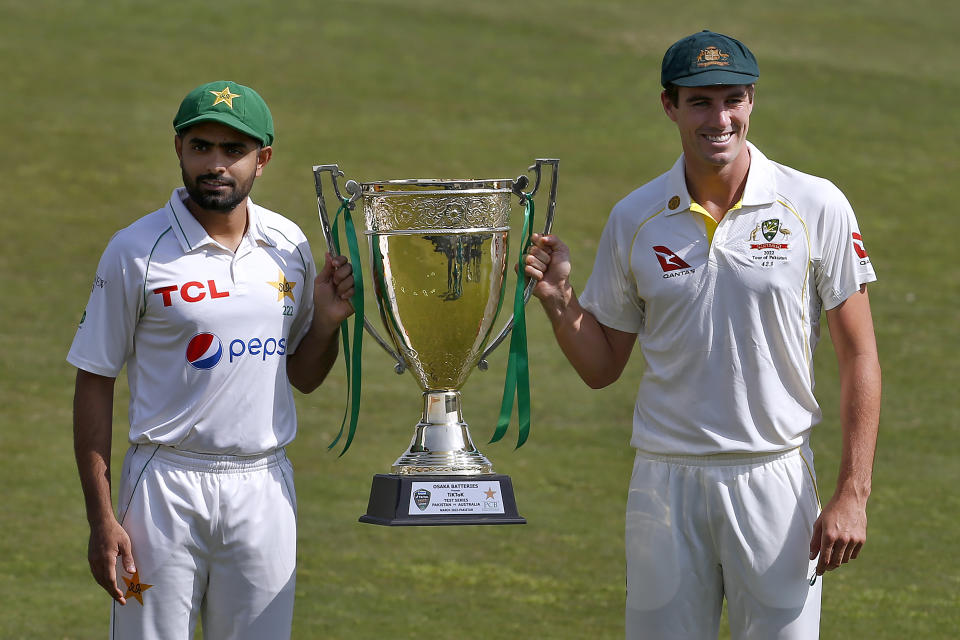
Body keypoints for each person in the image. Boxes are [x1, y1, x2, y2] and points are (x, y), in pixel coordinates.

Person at [524, 31, 881, 639]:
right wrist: (560, 302)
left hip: (774, 476)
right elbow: (602, 366)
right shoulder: (635, 216)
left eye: (733, 100)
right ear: (670, 106)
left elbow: (859, 354)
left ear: (751, 103)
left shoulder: (814, 204)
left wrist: (853, 493)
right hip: (665, 482)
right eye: (701, 102)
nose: (720, 119)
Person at [69, 80, 354, 639]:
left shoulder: (288, 244)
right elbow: (94, 380)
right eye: (202, 146)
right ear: (179, 149)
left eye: (234, 150)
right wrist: (101, 518)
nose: (216, 164)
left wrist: (324, 323)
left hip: (264, 485)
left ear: (262, 159)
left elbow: (301, 374)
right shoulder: (134, 250)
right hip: (162, 487)